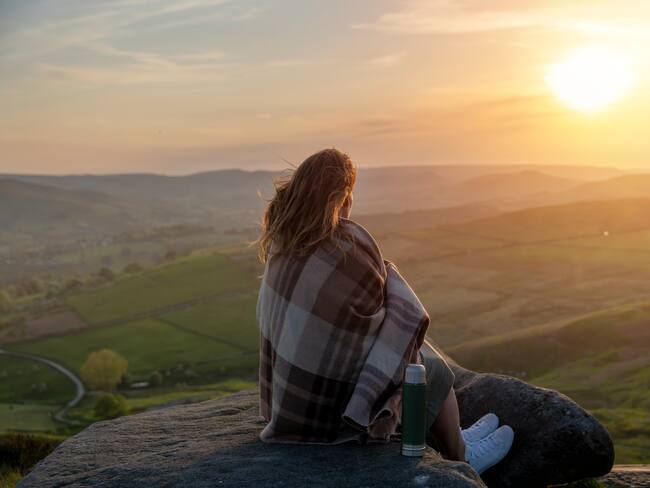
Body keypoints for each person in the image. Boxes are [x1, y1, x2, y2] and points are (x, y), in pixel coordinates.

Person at [255, 148, 514, 475]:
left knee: (413, 350)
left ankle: (457, 435)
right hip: (338, 414)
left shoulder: (283, 243)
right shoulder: (346, 242)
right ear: (342, 197)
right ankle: (461, 455)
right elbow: (380, 308)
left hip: (293, 404)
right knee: (426, 366)